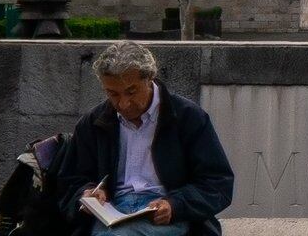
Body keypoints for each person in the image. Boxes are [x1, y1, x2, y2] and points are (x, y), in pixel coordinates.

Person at [58, 40, 234, 236]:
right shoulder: (93, 123)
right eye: (112, 94)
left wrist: (175, 205)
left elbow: (217, 183)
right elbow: (69, 180)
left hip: (168, 211)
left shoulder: (188, 117)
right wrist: (88, 194)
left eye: (131, 92)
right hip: (112, 211)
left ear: (149, 78)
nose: (124, 104)